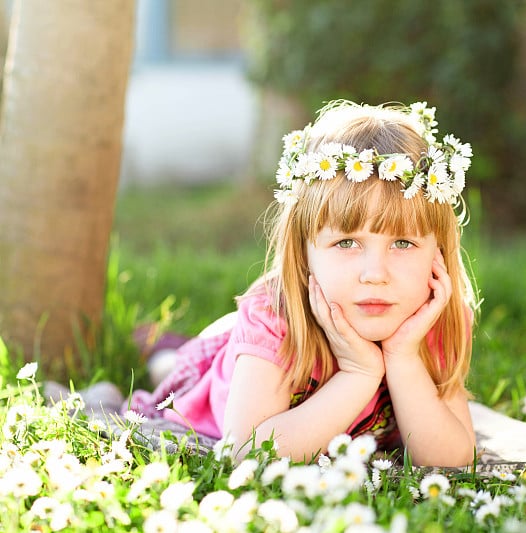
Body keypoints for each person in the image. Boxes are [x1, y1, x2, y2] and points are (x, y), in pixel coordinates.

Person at [128, 101, 479, 467]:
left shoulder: (436, 320)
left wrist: (403, 357)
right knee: (173, 370)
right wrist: (359, 374)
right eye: (346, 242)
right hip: (222, 379)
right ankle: (163, 350)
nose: (375, 273)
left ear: (437, 253)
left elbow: (454, 460)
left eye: (403, 243)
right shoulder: (275, 318)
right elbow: (247, 451)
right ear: (303, 251)